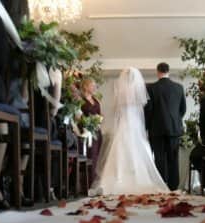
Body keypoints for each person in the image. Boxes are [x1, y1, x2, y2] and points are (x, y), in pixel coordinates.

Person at [88, 68, 169, 196]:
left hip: (124, 124)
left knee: (119, 149)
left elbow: (116, 111)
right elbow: (142, 110)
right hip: (136, 125)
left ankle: (115, 180)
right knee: (139, 150)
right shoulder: (138, 91)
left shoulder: (120, 91)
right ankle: (139, 179)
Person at [145, 62, 187, 190]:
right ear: (169, 71)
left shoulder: (151, 88)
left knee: (159, 158)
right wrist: (175, 121)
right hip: (174, 128)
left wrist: (146, 127)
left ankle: (162, 186)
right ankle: (174, 187)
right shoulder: (179, 87)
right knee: (173, 159)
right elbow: (183, 109)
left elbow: (149, 110)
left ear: (158, 72)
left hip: (156, 129)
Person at [80, 78, 103, 181]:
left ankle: (93, 180)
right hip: (86, 132)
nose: (94, 88)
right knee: (89, 155)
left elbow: (100, 114)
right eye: (92, 86)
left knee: (96, 157)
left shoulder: (96, 100)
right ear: (85, 86)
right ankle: (87, 182)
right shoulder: (80, 100)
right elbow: (79, 116)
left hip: (97, 132)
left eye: (94, 86)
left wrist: (99, 120)